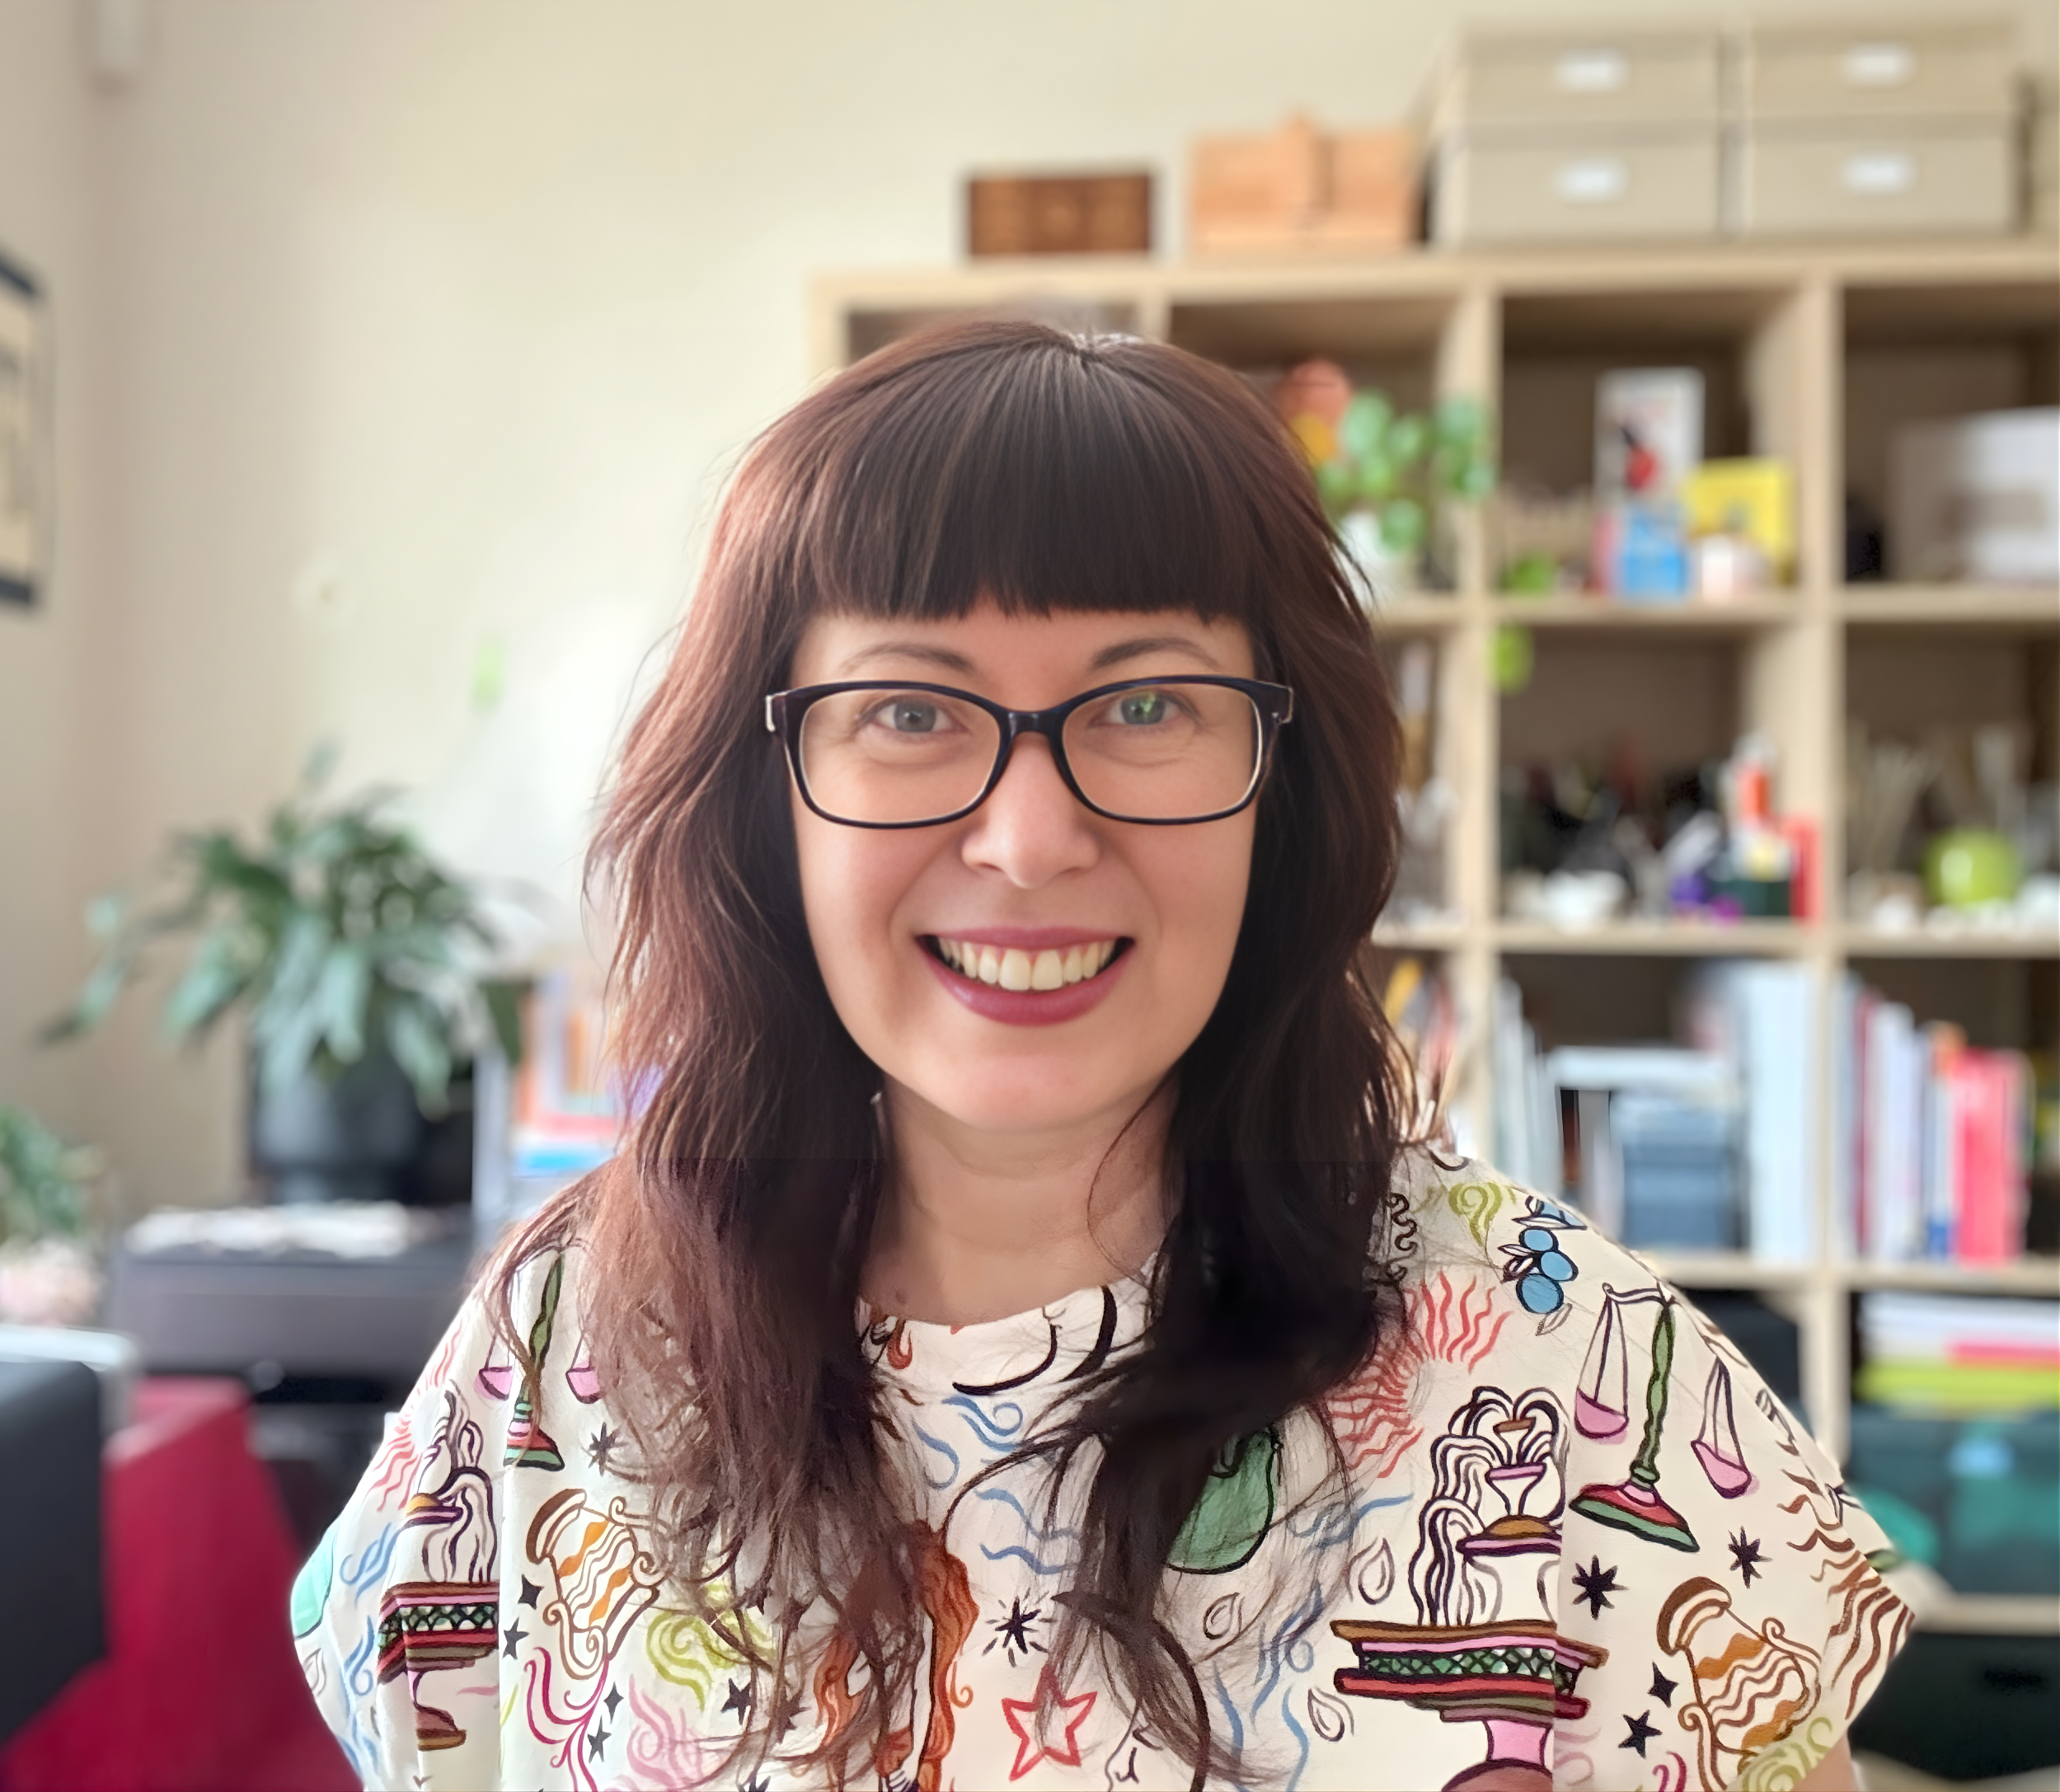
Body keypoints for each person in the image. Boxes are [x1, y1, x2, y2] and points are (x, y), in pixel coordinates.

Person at [295, 321, 1907, 1791]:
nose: (1027, 836)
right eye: (911, 712)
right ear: (762, 797)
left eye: (1143, 705)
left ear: (1284, 785)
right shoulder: (555, 1348)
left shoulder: (1572, 1378)